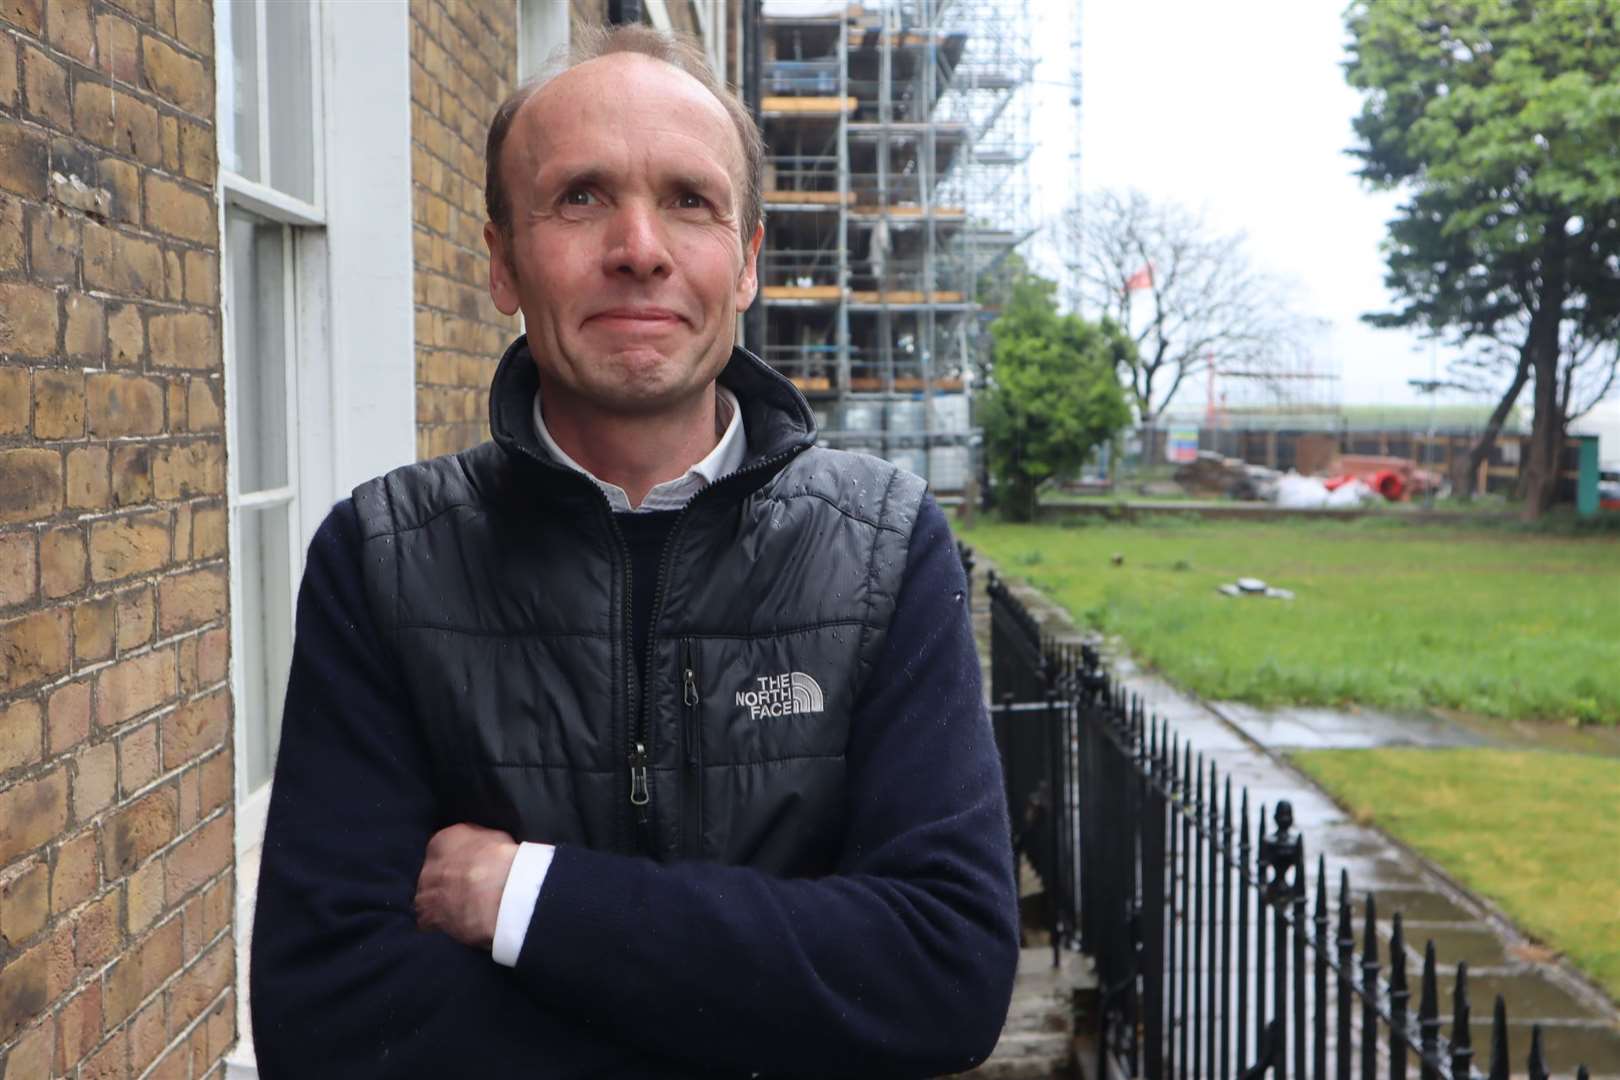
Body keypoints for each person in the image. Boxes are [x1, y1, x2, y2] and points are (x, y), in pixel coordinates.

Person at [250, 25, 1018, 1079]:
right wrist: (775, 1001)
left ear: (747, 262)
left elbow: (944, 974)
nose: (640, 247)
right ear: (502, 262)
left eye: (691, 201)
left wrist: (528, 901)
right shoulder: (382, 559)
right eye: (580, 197)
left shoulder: (885, 546)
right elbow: (328, 1015)